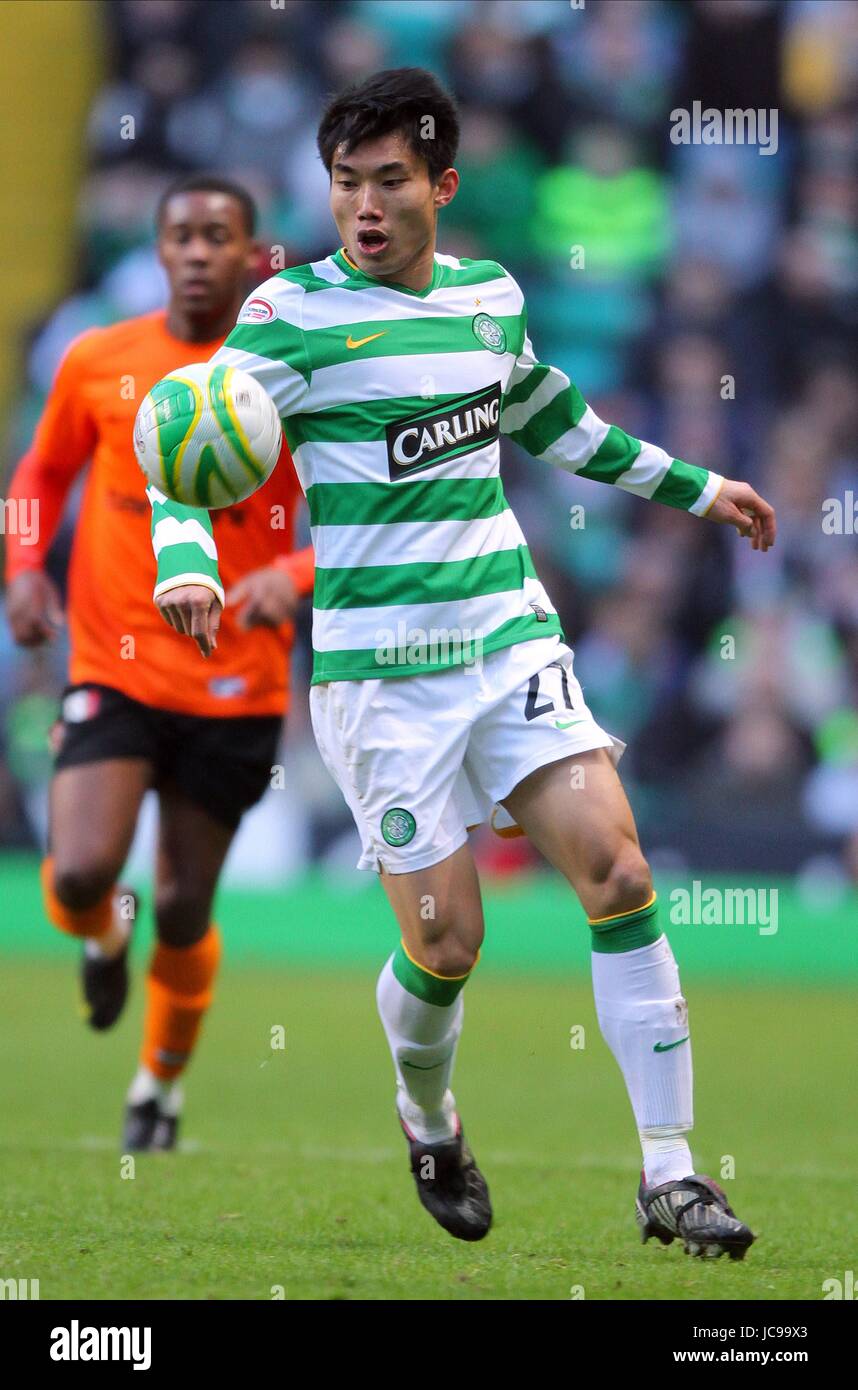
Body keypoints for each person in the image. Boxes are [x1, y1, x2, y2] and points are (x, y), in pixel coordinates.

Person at [149, 72, 775, 1256]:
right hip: (382, 680)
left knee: (621, 871)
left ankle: (673, 1174)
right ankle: (428, 1114)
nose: (364, 206)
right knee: (448, 943)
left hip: (506, 640)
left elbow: (555, 419)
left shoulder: (490, 298)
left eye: (389, 181)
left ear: (442, 185)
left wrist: (699, 486)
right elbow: (184, 446)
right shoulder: (289, 316)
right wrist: (186, 559)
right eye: (345, 183)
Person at [5, 175, 313, 1152]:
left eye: (217, 236)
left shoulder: (294, 380)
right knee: (88, 867)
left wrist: (290, 576)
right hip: (113, 662)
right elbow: (40, 474)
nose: (195, 252)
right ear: (157, 248)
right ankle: (99, 939)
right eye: (179, 234)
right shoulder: (100, 361)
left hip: (237, 679)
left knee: (181, 903)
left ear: (253, 255)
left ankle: (158, 1090)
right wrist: (21, 568)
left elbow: (362, 527)